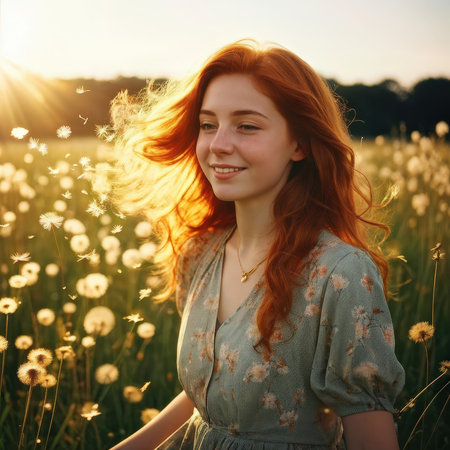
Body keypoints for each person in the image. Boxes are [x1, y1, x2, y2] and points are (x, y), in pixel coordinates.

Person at [111, 40, 405, 450]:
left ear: (300, 144)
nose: (218, 144)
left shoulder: (340, 275)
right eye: (208, 124)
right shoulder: (201, 253)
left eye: (246, 126)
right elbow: (209, 404)